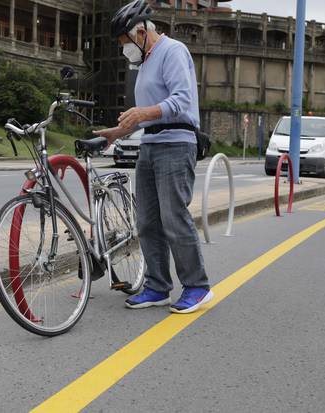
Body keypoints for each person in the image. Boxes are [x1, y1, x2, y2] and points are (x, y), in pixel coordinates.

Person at [94, 0, 212, 314]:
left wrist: (144, 112)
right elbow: (144, 118)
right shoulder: (144, 63)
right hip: (151, 145)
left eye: (124, 42)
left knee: (174, 218)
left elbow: (182, 100)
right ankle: (157, 286)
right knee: (146, 221)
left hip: (177, 143)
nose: (124, 50)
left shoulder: (173, 51)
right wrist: (116, 133)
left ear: (142, 31)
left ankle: (197, 286)